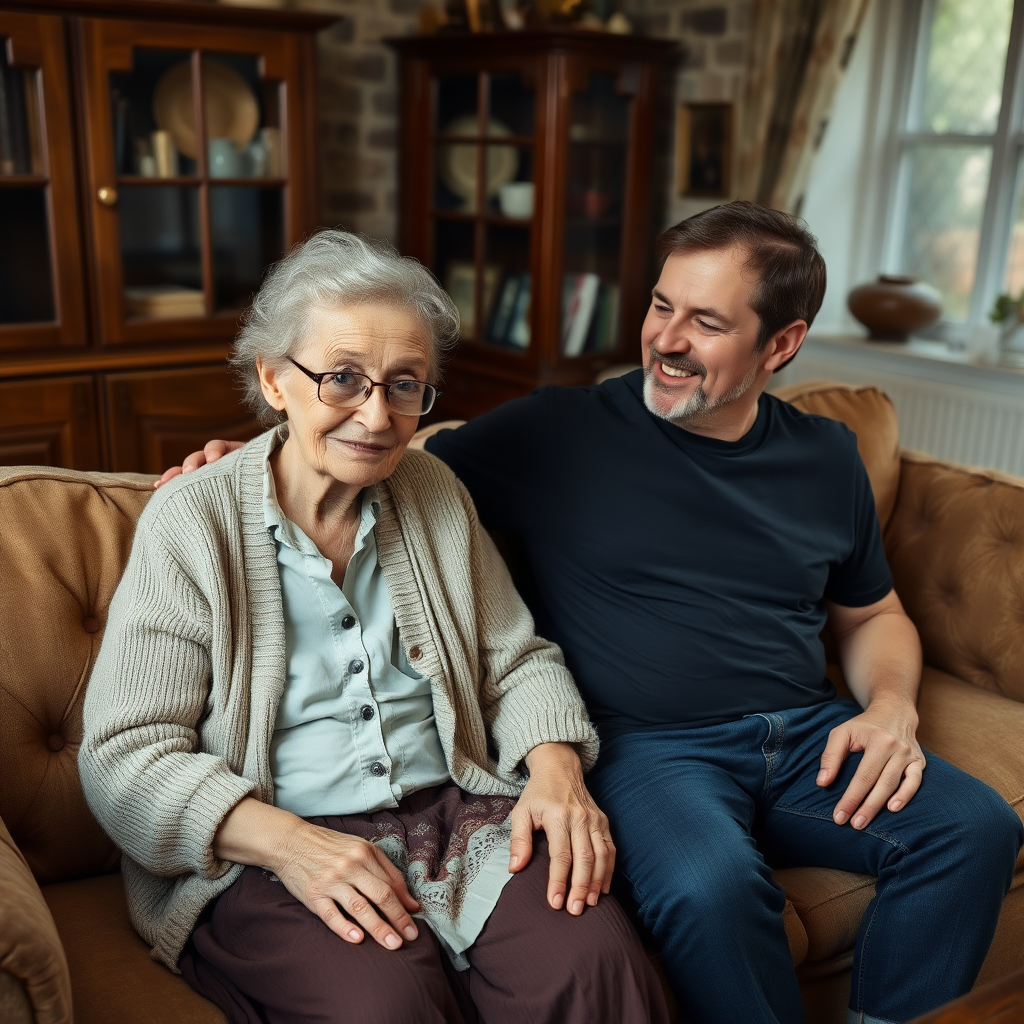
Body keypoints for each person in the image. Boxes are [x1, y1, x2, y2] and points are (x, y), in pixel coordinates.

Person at [162, 203, 1024, 1024]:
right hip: (650, 750)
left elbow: (872, 616)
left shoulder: (828, 455)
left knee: (974, 829)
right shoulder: (559, 432)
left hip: (806, 736)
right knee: (709, 887)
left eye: (707, 323)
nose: (667, 342)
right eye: (660, 306)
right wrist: (251, 459)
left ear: (783, 343)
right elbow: (389, 446)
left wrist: (891, 711)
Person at [80, 230, 668, 1024]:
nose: (376, 415)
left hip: (458, 815)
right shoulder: (193, 522)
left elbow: (516, 660)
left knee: (591, 960)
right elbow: (125, 758)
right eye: (344, 379)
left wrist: (558, 773)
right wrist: (291, 845)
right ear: (273, 379)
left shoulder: (433, 491)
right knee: (384, 1005)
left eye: (404, 385)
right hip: (266, 846)